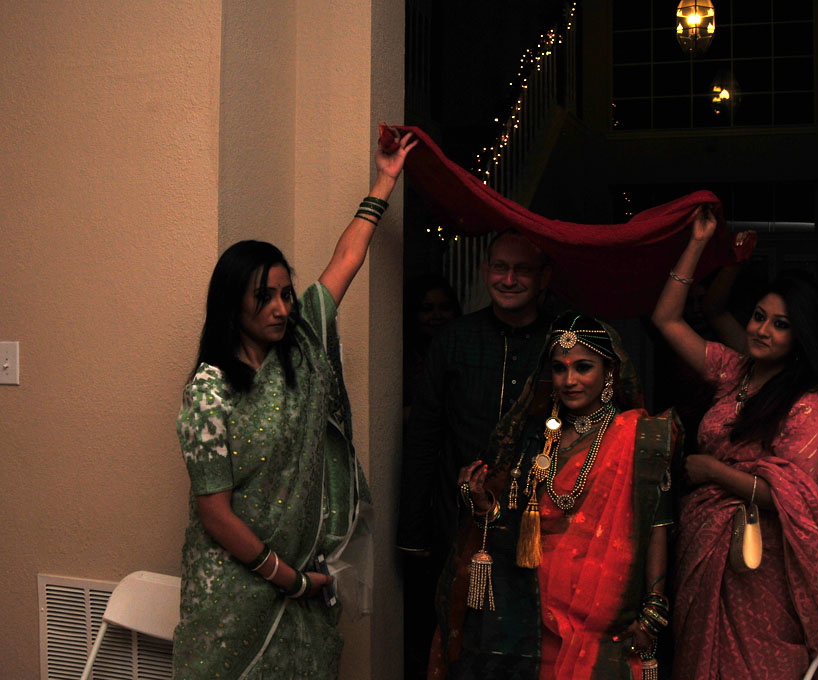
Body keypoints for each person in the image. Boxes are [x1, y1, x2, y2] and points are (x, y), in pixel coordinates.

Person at [172, 129, 417, 678]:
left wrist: (384, 180)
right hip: (234, 591)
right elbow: (214, 513)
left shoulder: (303, 349)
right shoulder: (209, 391)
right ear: (232, 306)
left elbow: (347, 257)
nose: (282, 309)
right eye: (265, 298)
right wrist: (288, 578)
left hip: (306, 575)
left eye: (286, 294)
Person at [651, 208, 818, 679]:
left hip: (759, 566)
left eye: (780, 324)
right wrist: (697, 242)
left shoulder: (808, 405)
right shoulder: (734, 372)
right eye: (760, 317)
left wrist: (712, 471)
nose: (762, 330)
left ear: (801, 336)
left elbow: (796, 495)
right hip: (706, 552)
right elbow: (666, 318)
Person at [430, 312, 677, 680]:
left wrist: (653, 608)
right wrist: (485, 506)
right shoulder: (532, 438)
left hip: (605, 611)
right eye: (560, 368)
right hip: (531, 610)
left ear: (610, 371)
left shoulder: (641, 437)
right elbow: (515, 525)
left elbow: (657, 525)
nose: (569, 380)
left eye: (583, 367)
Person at [398, 230, 552, 679]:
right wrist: (413, 532)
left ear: (543, 277)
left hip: (539, 524)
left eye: (521, 270)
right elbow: (424, 436)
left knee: (534, 642)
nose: (508, 279)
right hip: (460, 523)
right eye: (500, 267)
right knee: (464, 644)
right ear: (485, 271)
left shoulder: (559, 342)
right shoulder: (455, 339)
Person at [403, 274, 462, 422]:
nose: (437, 315)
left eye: (445, 307)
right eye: (427, 309)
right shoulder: (401, 358)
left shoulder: (464, 352)